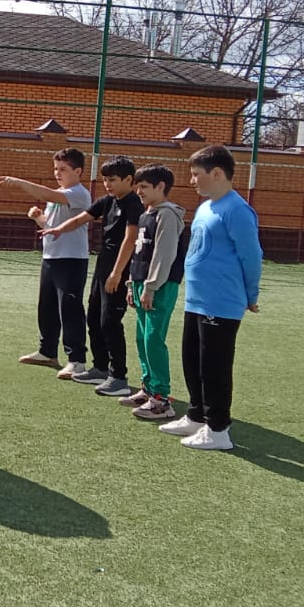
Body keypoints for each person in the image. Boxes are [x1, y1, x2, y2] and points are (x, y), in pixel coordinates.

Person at [159, 145, 262, 451]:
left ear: (216, 173)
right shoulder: (206, 207)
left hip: (222, 302)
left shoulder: (237, 210)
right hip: (197, 299)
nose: (192, 180)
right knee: (192, 360)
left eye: (196, 174)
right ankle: (196, 416)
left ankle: (218, 430)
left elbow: (252, 256)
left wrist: (251, 294)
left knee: (214, 366)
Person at [39, 156, 142, 397]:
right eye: (105, 180)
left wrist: (118, 273)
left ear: (129, 179)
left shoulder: (133, 204)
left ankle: (119, 377)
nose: (107, 184)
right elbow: (81, 218)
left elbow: (130, 239)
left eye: (113, 180)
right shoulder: (108, 201)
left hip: (119, 268)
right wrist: (58, 229)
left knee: (110, 321)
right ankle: (100, 368)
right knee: (94, 317)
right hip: (103, 266)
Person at [0, 148, 93, 380]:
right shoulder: (58, 194)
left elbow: (47, 194)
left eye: (63, 169)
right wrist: (37, 217)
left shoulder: (79, 194)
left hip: (72, 259)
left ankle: (77, 360)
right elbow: (51, 226)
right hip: (51, 258)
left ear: (78, 171)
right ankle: (47, 352)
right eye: (56, 169)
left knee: (69, 309)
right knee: (47, 307)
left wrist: (19, 182)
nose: (57, 173)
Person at [116, 165, 187, 421]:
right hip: (141, 284)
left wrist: (151, 286)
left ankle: (161, 399)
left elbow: (163, 255)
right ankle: (148, 388)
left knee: (154, 339)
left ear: (161, 186)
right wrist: (131, 284)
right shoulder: (148, 214)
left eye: (144, 186)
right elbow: (140, 252)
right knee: (142, 338)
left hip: (159, 286)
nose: (139, 191)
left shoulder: (167, 215)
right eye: (138, 186)